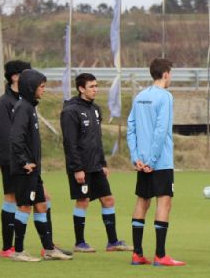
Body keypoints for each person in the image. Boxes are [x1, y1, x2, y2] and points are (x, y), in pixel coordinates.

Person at [60, 73, 132, 253]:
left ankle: (113, 242)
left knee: (108, 199)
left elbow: (96, 139)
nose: (95, 89)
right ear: (81, 88)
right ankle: (79, 242)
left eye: (96, 86)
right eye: (91, 86)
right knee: (83, 201)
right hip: (81, 167)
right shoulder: (70, 111)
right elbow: (70, 143)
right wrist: (77, 168)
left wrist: (103, 163)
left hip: (96, 166)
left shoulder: (95, 109)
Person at [126, 58, 185, 266]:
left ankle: (137, 254)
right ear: (166, 74)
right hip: (159, 161)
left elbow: (130, 128)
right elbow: (161, 131)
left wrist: (137, 158)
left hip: (142, 161)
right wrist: (151, 160)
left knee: (142, 201)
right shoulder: (166, 97)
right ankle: (160, 256)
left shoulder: (140, 96)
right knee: (164, 201)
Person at [10, 69, 73, 262]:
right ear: (31, 88)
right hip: (25, 169)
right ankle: (19, 251)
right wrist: (24, 162)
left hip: (34, 170)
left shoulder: (30, 107)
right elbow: (15, 138)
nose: (44, 90)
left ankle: (49, 249)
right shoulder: (23, 108)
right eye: (42, 86)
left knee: (42, 204)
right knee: (25, 207)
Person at [0, 60, 31, 257]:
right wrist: (17, 161)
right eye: (26, 73)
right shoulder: (4, 103)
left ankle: (48, 242)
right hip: (12, 160)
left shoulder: (25, 100)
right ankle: (8, 246)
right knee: (11, 198)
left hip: (26, 159)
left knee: (40, 199)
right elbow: (5, 135)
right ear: (15, 77)